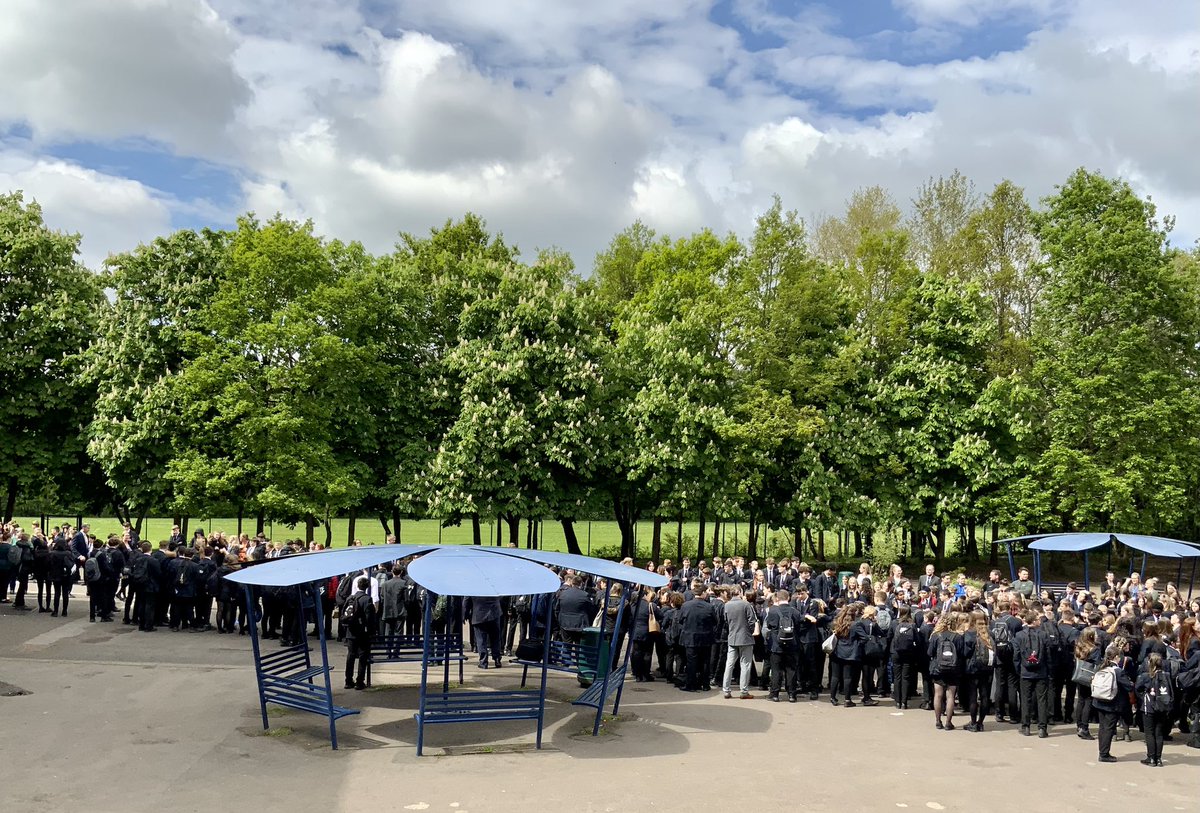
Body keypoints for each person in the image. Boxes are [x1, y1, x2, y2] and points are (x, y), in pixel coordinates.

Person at [1093, 641, 1136, 763]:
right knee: (1109, 728)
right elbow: (1128, 687)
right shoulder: (1118, 671)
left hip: (1099, 700)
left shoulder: (1101, 667)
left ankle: (1102, 750)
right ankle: (1104, 754)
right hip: (1113, 703)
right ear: (1116, 657)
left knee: (1103, 728)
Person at [1014, 609, 1051, 737]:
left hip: (1025, 672)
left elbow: (1016, 655)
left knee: (1025, 699)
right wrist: (1049, 669)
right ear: (1034, 621)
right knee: (1042, 700)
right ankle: (1042, 728)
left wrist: (1019, 669)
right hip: (1041, 671)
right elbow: (1048, 654)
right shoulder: (1043, 635)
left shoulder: (1019, 635)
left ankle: (1026, 726)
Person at [927, 611, 965, 730]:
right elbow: (961, 653)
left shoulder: (935, 635)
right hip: (953, 669)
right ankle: (949, 722)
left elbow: (929, 652)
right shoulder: (958, 636)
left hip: (938, 668)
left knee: (938, 695)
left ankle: (938, 721)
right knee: (951, 696)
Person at [677, 588, 719, 692]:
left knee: (691, 662)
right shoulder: (709, 606)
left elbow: (680, 620)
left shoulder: (686, 605)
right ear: (703, 593)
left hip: (690, 637)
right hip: (705, 638)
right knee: (705, 661)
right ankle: (705, 684)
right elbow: (715, 621)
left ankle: (691, 684)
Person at [1136, 652, 1173, 766]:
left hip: (1149, 707)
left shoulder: (1146, 676)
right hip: (1162, 707)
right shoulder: (1166, 675)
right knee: (1159, 733)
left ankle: (1151, 758)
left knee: (1149, 733)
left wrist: (1144, 697)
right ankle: (1159, 758)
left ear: (1149, 662)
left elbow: (1137, 688)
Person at [721, 586, 756, 699]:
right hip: (745, 638)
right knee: (745, 664)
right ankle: (744, 691)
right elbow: (752, 621)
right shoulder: (746, 604)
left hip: (732, 637)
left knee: (729, 664)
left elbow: (725, 621)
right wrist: (749, 632)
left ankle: (726, 690)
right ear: (740, 592)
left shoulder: (727, 605)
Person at [765, 590, 799, 702]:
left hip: (776, 645)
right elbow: (798, 626)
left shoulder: (773, 611)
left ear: (777, 599)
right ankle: (792, 695)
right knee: (791, 670)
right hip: (791, 645)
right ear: (788, 597)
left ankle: (775, 694)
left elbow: (769, 626)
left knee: (776, 670)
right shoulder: (794, 611)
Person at [342, 576, 376, 690]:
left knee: (350, 656)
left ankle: (348, 680)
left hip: (351, 631)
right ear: (367, 587)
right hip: (362, 632)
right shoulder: (367, 599)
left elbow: (344, 614)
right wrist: (371, 631)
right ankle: (360, 681)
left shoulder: (350, 598)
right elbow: (370, 617)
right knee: (362, 656)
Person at [554, 574, 595, 644]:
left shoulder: (563, 594)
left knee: (566, 645)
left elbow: (557, 609)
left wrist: (559, 620)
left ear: (572, 583)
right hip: (580, 625)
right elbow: (591, 610)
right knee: (578, 646)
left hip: (565, 623)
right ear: (581, 584)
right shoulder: (585, 595)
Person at [466, 595, 503, 668]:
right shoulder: (492, 584)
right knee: (495, 638)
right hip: (494, 612)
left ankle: (483, 662)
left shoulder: (472, 585)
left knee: (481, 640)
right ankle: (497, 659)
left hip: (479, 613)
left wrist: (465, 614)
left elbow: (466, 599)